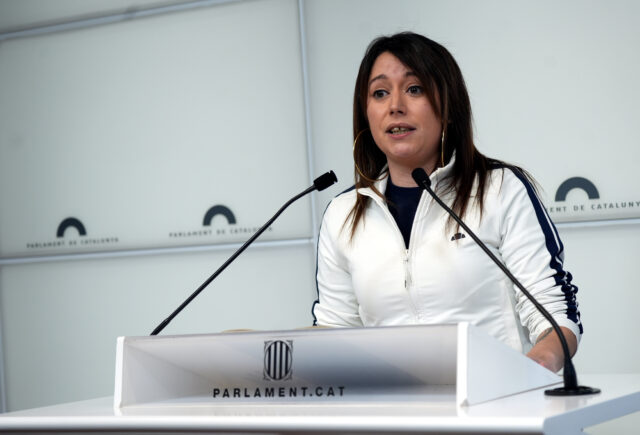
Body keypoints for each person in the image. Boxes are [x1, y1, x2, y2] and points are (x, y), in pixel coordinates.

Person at [311, 32, 582, 373]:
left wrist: (530, 369)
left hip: (498, 398)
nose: (395, 106)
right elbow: (334, 333)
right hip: (394, 404)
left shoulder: (500, 190)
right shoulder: (342, 214)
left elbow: (555, 314)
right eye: (380, 93)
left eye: (415, 89)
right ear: (366, 114)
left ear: (449, 108)